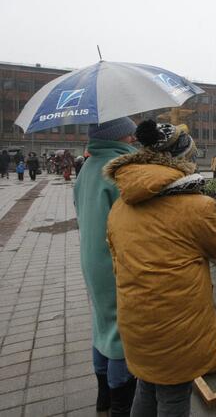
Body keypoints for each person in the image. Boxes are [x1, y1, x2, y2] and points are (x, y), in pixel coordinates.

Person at [104, 120, 216, 417]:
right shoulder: (195, 207)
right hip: (176, 330)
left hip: (136, 324)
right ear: (180, 160)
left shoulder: (122, 204)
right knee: (174, 396)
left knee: (146, 385)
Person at [74, 118, 138, 416]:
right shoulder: (117, 169)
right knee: (120, 334)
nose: (133, 136)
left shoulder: (88, 166)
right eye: (129, 131)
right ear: (118, 135)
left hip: (92, 258)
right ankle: (120, 404)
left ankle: (103, 396)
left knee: (102, 325)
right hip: (114, 261)